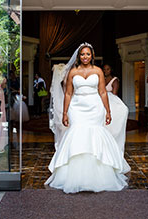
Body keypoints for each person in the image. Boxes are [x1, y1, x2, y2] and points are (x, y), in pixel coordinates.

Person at [45, 43, 130, 193]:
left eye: (88, 54)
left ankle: (98, 176)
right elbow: (68, 94)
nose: (85, 57)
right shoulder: (72, 72)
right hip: (76, 107)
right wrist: (65, 113)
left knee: (94, 134)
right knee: (77, 134)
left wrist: (108, 111)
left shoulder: (97, 71)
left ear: (92, 56)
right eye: (82, 54)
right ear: (79, 56)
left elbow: (103, 92)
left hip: (95, 107)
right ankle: (74, 176)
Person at [103, 64, 129, 152]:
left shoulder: (115, 80)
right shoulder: (102, 79)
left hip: (112, 100)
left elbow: (114, 93)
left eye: (108, 69)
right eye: (105, 69)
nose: (106, 71)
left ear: (111, 70)